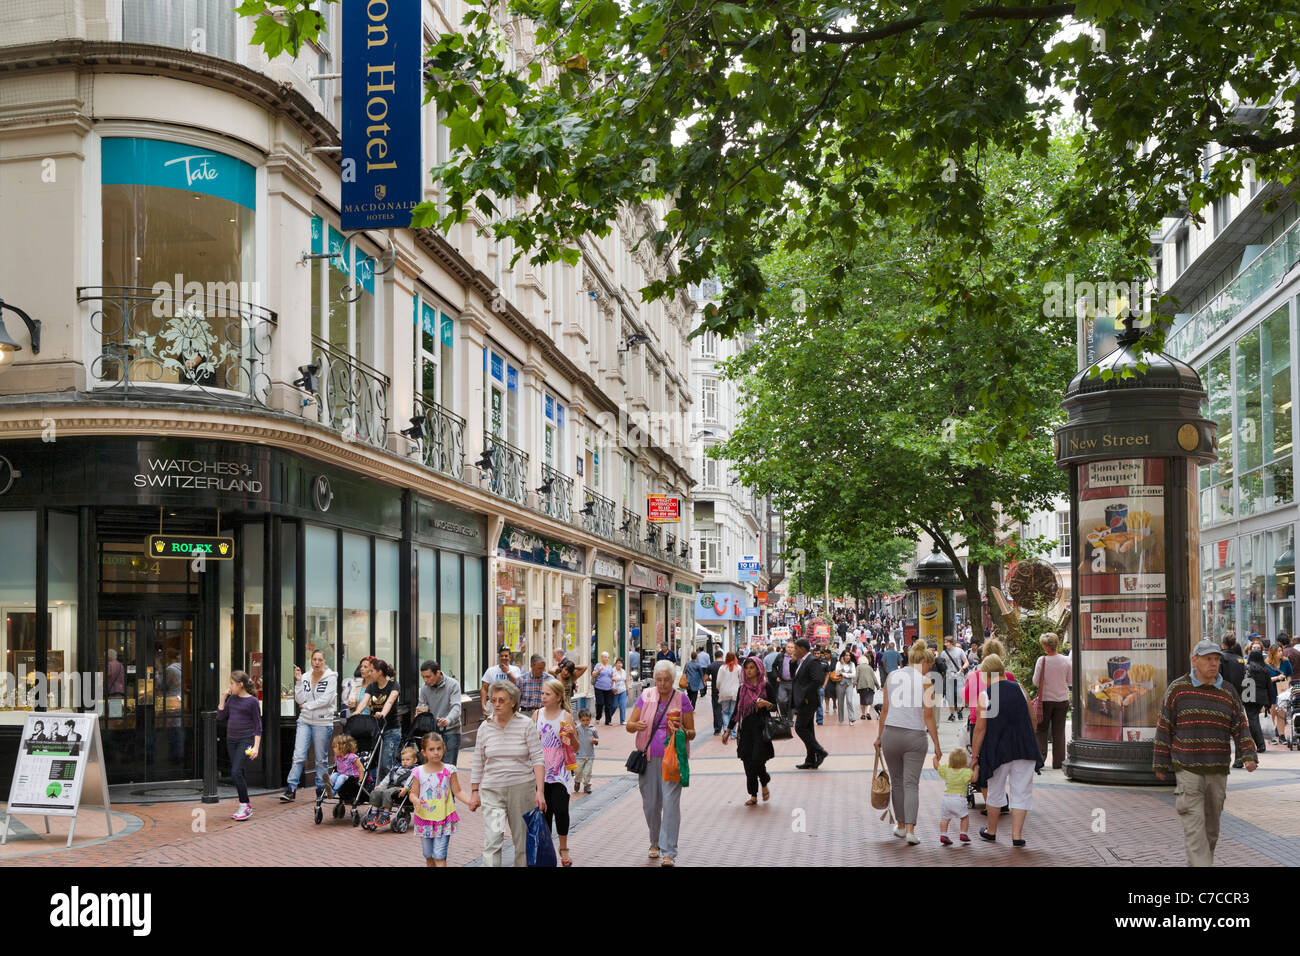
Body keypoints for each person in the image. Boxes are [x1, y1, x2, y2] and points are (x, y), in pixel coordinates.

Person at [1154, 639, 1257, 866]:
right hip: (1187, 767)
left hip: (1217, 768)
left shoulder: (1228, 691)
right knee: (1194, 825)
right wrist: (1160, 761)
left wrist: (1248, 754)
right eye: (1208, 659)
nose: (1214, 664)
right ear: (1195, 661)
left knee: (1210, 829)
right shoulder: (1178, 689)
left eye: (1217, 659)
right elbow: (1164, 726)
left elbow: (1240, 725)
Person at [467, 679, 546, 867]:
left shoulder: (526, 725)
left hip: (522, 790)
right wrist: (475, 791)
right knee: (493, 840)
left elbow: (537, 758)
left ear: (513, 702)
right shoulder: (485, 727)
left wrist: (540, 791)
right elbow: (478, 760)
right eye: (493, 700)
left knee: (522, 842)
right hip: (493, 791)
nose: (496, 704)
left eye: (501, 700)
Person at [625, 659, 694, 866]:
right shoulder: (646, 696)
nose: (662, 684)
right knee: (651, 804)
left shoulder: (682, 699)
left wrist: (681, 730)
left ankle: (669, 852)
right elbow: (629, 725)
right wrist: (635, 725)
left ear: (673, 680)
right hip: (648, 758)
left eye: (666, 680)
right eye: (659, 679)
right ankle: (654, 842)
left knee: (671, 805)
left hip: (673, 759)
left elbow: (692, 732)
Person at [970, 654, 1043, 847]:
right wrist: (1030, 737)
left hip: (998, 750)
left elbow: (980, 728)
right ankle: (1017, 836)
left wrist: (974, 756)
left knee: (995, 790)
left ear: (987, 674)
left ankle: (991, 831)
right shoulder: (1019, 688)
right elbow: (1032, 717)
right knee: (1022, 791)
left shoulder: (986, 695)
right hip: (1024, 748)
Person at [875, 640, 941, 844]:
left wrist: (879, 737)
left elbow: (884, 710)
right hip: (915, 736)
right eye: (929, 665)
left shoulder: (892, 676)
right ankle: (911, 831)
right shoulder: (926, 682)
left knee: (897, 782)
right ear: (922, 660)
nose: (929, 669)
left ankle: (901, 826)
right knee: (911, 783)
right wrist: (937, 746)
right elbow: (928, 716)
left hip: (890, 734)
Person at [281, 649, 337, 802]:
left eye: (320, 660)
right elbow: (299, 699)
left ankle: (321, 788)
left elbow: (326, 699)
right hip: (304, 721)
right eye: (314, 660)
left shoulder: (331, 678)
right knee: (298, 756)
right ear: (311, 661)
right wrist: (298, 680)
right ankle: (291, 788)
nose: (317, 662)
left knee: (321, 759)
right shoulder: (305, 677)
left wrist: (307, 706)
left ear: (324, 662)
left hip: (322, 721)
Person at [535, 678, 578, 866]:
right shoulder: (537, 715)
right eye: (542, 693)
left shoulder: (565, 716)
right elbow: (527, 743)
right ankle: (547, 849)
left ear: (558, 697)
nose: (543, 697)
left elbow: (576, 747)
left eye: (547, 694)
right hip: (540, 772)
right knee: (544, 813)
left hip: (560, 774)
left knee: (561, 811)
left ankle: (563, 847)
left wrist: (570, 735)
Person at [410, 732, 470, 868]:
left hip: (443, 819)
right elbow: (413, 793)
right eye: (431, 749)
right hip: (424, 819)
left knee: (439, 856)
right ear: (424, 752)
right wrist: (415, 800)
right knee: (429, 855)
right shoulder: (418, 771)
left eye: (439, 748)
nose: (436, 752)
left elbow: (458, 791)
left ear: (443, 749)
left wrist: (470, 801)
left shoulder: (450, 770)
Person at [722, 656, 774, 805]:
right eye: (747, 668)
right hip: (746, 731)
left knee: (758, 760)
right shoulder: (742, 689)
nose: (749, 670)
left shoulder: (766, 687)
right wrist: (728, 730)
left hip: (761, 729)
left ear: (758, 669)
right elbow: (737, 712)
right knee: (747, 763)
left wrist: (766, 704)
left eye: (752, 667)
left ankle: (764, 781)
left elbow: (776, 707)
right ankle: (753, 795)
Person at [217, 670, 261, 822]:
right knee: (239, 771)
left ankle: (245, 805)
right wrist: (224, 697)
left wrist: (255, 747)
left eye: (231, 683)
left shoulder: (252, 702)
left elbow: (258, 726)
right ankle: (244, 805)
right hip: (231, 741)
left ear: (240, 685)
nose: (230, 686)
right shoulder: (232, 699)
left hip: (246, 741)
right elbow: (220, 716)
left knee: (235, 771)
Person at [1032, 632, 1071, 769]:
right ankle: (1058, 762)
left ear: (1046, 647)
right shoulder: (1066, 660)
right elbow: (1070, 680)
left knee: (1041, 730)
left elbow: (1036, 682)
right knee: (1059, 731)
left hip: (1046, 700)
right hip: (1062, 700)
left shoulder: (1042, 660)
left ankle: (1040, 759)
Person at [356, 659, 401, 776]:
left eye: (371, 671)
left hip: (391, 730)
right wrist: (356, 713)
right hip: (376, 730)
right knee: (373, 762)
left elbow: (390, 702)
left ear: (380, 672)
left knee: (385, 764)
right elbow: (363, 702)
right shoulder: (371, 686)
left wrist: (382, 714)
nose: (369, 673)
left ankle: (385, 790)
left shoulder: (394, 685)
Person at [790, 638, 829, 769]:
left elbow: (817, 680)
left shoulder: (812, 661)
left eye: (795, 648)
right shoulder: (801, 661)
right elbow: (795, 679)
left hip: (808, 701)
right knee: (808, 730)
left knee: (799, 727)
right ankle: (810, 759)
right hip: (803, 700)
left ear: (802, 649)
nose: (794, 651)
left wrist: (806, 695)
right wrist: (792, 663)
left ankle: (820, 751)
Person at [414, 660, 462, 765]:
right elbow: (421, 706)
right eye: (423, 677)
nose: (425, 680)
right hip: (433, 732)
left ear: (438, 673)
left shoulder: (453, 685)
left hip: (451, 731)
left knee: (448, 767)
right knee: (432, 766)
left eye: (428, 677)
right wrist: (420, 712)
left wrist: (448, 720)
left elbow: (456, 707)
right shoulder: (424, 689)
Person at [365, 744, 417, 830]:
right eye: (403, 759)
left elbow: (411, 781)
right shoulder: (396, 768)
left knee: (387, 792)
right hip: (391, 786)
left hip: (401, 788)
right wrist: (381, 785)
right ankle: (373, 813)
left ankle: (386, 815)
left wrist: (406, 788)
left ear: (414, 760)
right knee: (376, 791)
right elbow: (387, 778)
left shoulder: (414, 771)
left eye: (408, 760)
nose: (405, 762)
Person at [936, 747, 972, 845]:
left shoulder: (947, 769)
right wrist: (975, 768)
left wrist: (935, 759)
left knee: (945, 818)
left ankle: (943, 835)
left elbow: (937, 767)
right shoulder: (966, 772)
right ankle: (963, 833)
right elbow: (974, 779)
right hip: (959, 798)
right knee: (964, 817)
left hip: (946, 798)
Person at [1244, 648, 1276, 754]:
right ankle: (1259, 744)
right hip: (1261, 698)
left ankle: (1261, 744)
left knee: (1253, 720)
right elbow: (1269, 687)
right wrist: (1270, 701)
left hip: (1249, 696)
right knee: (1254, 719)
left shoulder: (1247, 668)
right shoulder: (1265, 670)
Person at [480, 646, 521, 716]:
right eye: (501, 656)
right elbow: (484, 688)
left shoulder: (515, 670)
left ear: (510, 657)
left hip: (510, 705)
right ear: (499, 657)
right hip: (494, 705)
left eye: (506, 656)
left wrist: (508, 672)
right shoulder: (491, 670)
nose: (504, 658)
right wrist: (483, 705)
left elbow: (518, 686)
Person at [939, 636, 968, 720]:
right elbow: (942, 665)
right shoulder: (944, 653)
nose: (945, 644)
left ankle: (959, 711)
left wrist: (962, 669)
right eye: (945, 642)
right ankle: (952, 714)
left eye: (947, 642)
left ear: (951, 642)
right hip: (948, 676)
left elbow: (966, 662)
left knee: (960, 695)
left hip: (959, 675)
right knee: (949, 696)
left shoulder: (959, 651)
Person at [716, 652, 742, 739]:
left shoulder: (722, 668)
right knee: (733, 713)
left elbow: (718, 682)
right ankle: (733, 733)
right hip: (735, 693)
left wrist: (719, 689)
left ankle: (726, 730)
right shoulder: (738, 668)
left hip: (724, 693)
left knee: (725, 712)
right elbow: (742, 681)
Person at [768, 640, 797, 714]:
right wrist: (776, 676)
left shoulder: (797, 657)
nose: (790, 649)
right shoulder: (780, 655)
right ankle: (784, 716)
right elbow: (774, 666)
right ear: (785, 648)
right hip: (782, 682)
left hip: (793, 682)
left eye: (791, 647)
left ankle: (789, 719)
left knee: (791, 702)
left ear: (794, 648)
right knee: (781, 700)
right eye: (788, 647)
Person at [575, 709, 598, 794]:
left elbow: (597, 739)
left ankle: (587, 785)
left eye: (587, 720)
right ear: (580, 720)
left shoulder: (593, 729)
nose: (585, 722)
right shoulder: (577, 729)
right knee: (578, 771)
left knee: (588, 772)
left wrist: (595, 741)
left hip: (589, 755)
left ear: (590, 719)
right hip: (579, 755)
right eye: (583, 720)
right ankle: (577, 781)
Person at [592, 652, 616, 724]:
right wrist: (599, 670)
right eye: (605, 657)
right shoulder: (598, 665)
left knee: (609, 705)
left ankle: (608, 721)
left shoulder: (610, 666)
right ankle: (598, 717)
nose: (607, 659)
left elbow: (612, 676)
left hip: (608, 688)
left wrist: (614, 684)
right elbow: (593, 675)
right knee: (600, 703)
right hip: (599, 688)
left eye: (608, 657)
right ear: (602, 658)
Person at [833, 649, 856, 724]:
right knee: (840, 702)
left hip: (849, 684)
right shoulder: (838, 663)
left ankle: (851, 718)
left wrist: (843, 674)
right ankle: (841, 719)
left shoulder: (852, 664)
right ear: (843, 656)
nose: (848, 657)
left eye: (849, 655)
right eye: (846, 655)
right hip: (840, 684)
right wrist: (842, 664)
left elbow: (853, 675)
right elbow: (837, 673)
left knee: (849, 701)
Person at [855, 649, 879, 721]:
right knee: (869, 700)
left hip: (861, 686)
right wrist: (877, 686)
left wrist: (854, 684)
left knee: (862, 700)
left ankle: (863, 714)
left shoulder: (858, 667)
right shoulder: (870, 667)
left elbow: (856, 676)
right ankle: (868, 712)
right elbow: (874, 677)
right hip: (870, 685)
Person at [707, 649, 725, 735]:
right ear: (722, 656)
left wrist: (712, 680)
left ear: (715, 656)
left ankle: (717, 729)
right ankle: (726, 728)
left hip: (715, 690)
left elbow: (705, 678)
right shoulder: (726, 665)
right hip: (725, 690)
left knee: (716, 709)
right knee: (726, 710)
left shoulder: (711, 666)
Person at [612, 658, 629, 724]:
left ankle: (622, 720)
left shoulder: (623, 671)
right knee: (614, 705)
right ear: (616, 663)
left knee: (623, 705)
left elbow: (626, 680)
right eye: (618, 663)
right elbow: (610, 678)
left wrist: (627, 689)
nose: (619, 664)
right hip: (615, 691)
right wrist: (613, 679)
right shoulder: (612, 670)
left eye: (621, 663)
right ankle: (609, 717)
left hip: (623, 690)